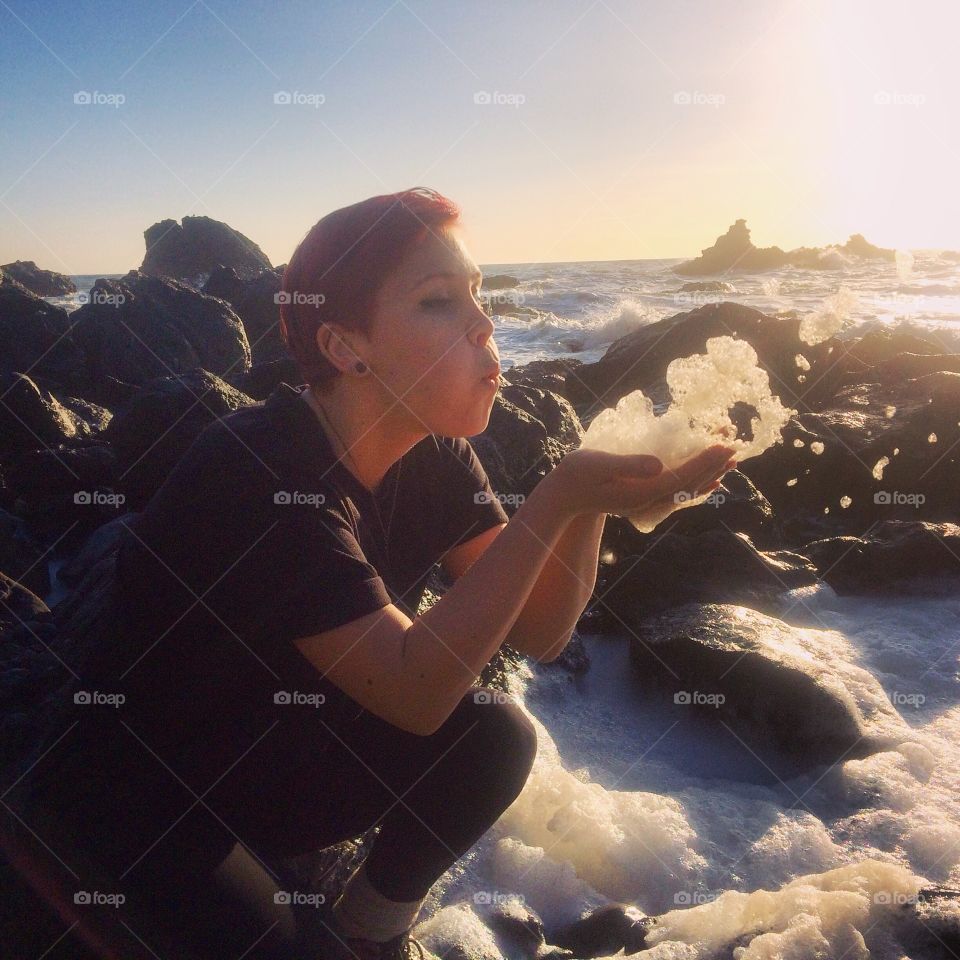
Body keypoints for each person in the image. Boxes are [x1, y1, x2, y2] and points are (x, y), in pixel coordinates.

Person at [21, 187, 736, 960]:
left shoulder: (434, 456)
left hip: (276, 748)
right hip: (145, 790)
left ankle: (372, 925)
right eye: (439, 303)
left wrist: (592, 507)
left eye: (479, 294)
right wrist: (558, 495)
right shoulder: (260, 470)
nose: (484, 323)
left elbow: (539, 629)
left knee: (494, 735)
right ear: (345, 348)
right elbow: (414, 692)